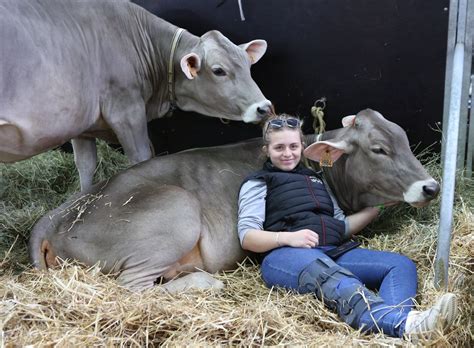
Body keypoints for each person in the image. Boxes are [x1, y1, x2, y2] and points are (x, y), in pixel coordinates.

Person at [237, 113, 457, 339]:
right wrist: (287, 238)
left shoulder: (318, 179)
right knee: (336, 280)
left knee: (400, 266)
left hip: (334, 251)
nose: (287, 153)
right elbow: (247, 236)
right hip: (287, 257)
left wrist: (377, 208)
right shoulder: (258, 182)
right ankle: (408, 325)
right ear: (266, 150)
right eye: (279, 148)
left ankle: (393, 332)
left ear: (303, 147)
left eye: (293, 146)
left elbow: (342, 226)